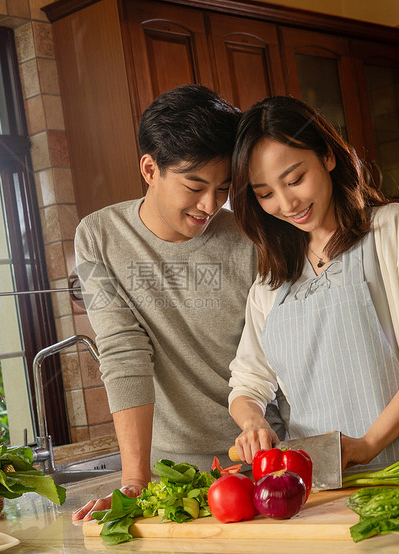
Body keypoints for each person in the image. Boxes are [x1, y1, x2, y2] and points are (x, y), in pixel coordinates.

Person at [72, 85, 290, 521]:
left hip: (262, 464)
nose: (210, 205)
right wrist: (135, 482)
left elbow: (282, 355)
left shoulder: (252, 239)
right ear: (150, 168)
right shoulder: (97, 237)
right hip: (171, 477)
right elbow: (122, 350)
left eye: (223, 188)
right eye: (195, 186)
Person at [227, 96, 399, 473]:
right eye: (266, 194)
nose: (287, 203)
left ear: (327, 156)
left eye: (295, 179)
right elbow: (247, 382)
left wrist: (367, 445)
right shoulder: (270, 282)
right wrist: (253, 421)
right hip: (325, 491)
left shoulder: (392, 228)